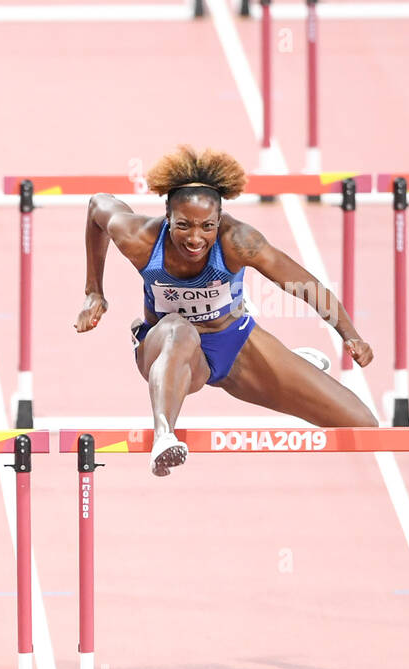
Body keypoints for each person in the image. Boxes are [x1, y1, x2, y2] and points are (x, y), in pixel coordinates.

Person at [77, 145, 377, 475]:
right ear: (167, 218)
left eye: (207, 226)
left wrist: (351, 335)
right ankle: (164, 436)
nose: (195, 238)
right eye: (184, 225)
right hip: (166, 349)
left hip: (233, 345)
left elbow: (305, 285)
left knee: (362, 425)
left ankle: (289, 362)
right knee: (179, 328)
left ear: (219, 220)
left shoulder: (239, 241)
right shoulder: (138, 238)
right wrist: (94, 292)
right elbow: (97, 206)